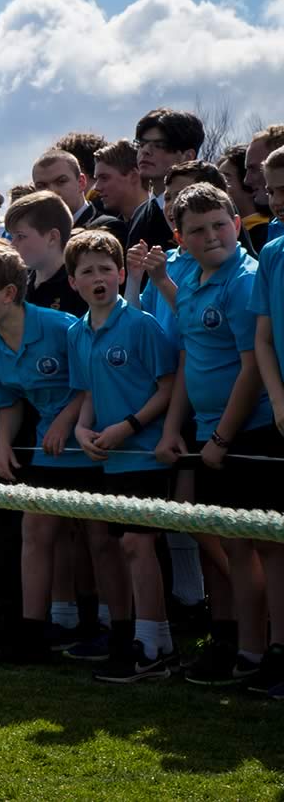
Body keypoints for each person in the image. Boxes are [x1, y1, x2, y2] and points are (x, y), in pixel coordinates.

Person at [155, 183, 279, 689]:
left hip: (251, 433)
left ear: (236, 220)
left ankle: (277, 650)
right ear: (180, 240)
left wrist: (223, 439)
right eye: (198, 230)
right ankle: (249, 653)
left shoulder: (245, 280)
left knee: (271, 550)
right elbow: (191, 361)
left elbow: (252, 369)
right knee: (236, 550)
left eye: (220, 224)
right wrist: (175, 429)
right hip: (210, 435)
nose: (212, 236)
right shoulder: (195, 284)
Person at [0, 245, 91, 665]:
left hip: (92, 445)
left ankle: (110, 629)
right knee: (35, 531)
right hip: (46, 451)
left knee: (96, 539)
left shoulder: (62, 327)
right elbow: (10, 402)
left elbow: (91, 383)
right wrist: (1, 447)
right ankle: (30, 638)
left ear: (9, 293)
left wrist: (65, 421)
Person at [63, 229, 177, 682]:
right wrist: (81, 428)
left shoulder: (141, 324)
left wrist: (128, 427)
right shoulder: (76, 333)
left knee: (137, 543)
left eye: (106, 269)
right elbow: (87, 391)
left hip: (145, 454)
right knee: (122, 547)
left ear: (122, 273)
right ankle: (150, 639)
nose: (98, 277)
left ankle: (149, 646)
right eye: (87, 270)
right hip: (108, 458)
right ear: (73, 281)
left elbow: (167, 388)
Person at [246, 145, 284, 698]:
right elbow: (262, 338)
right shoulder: (273, 252)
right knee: (274, 542)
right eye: (274, 192)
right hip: (280, 421)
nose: (279, 202)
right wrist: (277, 399)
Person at [129, 108, 203, 253]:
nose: (145, 151)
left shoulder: (212, 206)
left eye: (159, 145)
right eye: (141, 144)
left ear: (188, 156)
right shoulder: (140, 214)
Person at [6, 191, 86, 316]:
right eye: (12, 237)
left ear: (52, 237)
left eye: (21, 236)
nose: (13, 245)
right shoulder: (19, 286)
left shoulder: (80, 286)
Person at [33, 148, 105, 232]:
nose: (51, 191)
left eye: (61, 181)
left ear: (81, 182)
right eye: (41, 186)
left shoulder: (107, 227)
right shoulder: (37, 235)